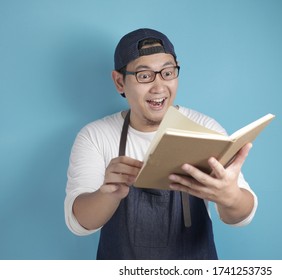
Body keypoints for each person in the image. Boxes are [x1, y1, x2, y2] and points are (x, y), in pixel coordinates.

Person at [64, 28, 258, 260]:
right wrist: (108, 194)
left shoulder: (205, 128)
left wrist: (230, 196)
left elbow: (240, 216)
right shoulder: (96, 136)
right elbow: (79, 223)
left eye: (167, 72)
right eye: (144, 76)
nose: (159, 87)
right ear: (119, 82)